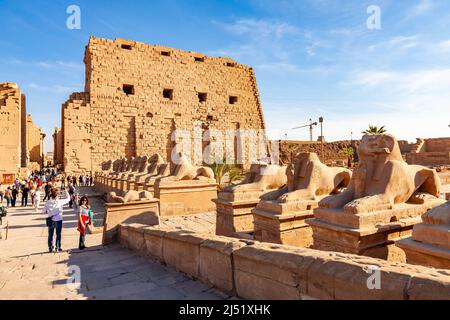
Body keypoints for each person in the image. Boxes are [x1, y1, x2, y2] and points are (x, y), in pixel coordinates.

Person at [43, 188, 71, 252]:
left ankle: (50, 248)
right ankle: (57, 247)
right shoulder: (60, 201)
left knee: (50, 235)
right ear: (57, 195)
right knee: (58, 234)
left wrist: (49, 211)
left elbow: (43, 211)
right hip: (58, 219)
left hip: (51, 220)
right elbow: (68, 199)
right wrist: (66, 191)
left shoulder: (47, 202)